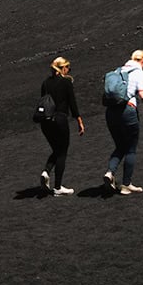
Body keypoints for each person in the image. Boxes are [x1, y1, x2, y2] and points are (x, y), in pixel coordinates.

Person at [104, 49, 143, 195]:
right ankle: (126, 185)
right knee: (131, 148)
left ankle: (110, 172)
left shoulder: (117, 71)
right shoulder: (140, 74)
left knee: (120, 145)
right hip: (127, 111)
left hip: (111, 112)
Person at [38, 56, 85, 195]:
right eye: (68, 67)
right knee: (62, 152)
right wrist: (79, 121)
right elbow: (73, 104)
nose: (68, 70)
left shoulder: (45, 83)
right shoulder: (66, 83)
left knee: (56, 149)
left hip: (45, 122)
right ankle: (58, 187)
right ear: (63, 68)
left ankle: (46, 171)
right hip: (60, 120)